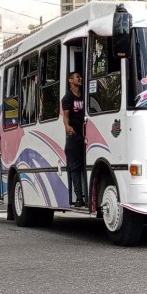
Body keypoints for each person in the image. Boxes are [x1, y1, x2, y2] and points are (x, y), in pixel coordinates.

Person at [62, 71, 86, 207]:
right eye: (78, 77)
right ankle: (79, 197)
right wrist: (67, 127)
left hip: (86, 135)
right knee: (75, 168)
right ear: (70, 81)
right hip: (74, 136)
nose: (80, 78)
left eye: (80, 77)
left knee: (85, 165)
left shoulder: (85, 95)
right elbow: (65, 116)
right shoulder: (67, 98)